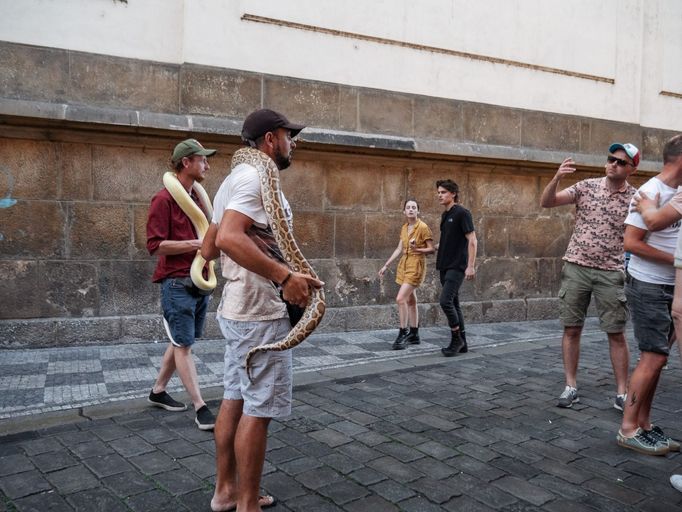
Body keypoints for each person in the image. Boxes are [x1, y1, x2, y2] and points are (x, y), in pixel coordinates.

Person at [202, 109, 323, 512]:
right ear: (271, 139)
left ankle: (226, 492)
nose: (294, 143)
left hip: (237, 308)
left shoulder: (231, 181)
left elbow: (209, 245)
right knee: (259, 409)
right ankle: (247, 505)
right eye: (290, 136)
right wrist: (284, 277)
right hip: (259, 313)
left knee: (235, 399)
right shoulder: (256, 177)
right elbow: (230, 238)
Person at [540, 144, 637, 409]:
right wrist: (557, 177)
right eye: (610, 159)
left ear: (631, 169)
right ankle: (570, 386)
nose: (613, 164)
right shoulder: (586, 186)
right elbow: (547, 202)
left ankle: (621, 393)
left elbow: (647, 231)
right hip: (576, 266)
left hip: (611, 271)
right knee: (572, 328)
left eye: (620, 162)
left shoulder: (636, 198)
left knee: (616, 332)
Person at [616, 134, 682, 456]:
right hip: (649, 285)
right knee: (653, 356)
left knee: (659, 358)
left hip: (671, 287)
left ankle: (644, 424)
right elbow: (632, 243)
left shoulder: (677, 192)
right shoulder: (652, 191)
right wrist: (677, 261)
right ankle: (628, 428)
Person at [146, 138, 217, 430]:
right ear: (186, 162)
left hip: (199, 281)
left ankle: (158, 391)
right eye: (202, 159)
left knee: (180, 340)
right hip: (176, 283)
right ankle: (201, 407)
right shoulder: (163, 199)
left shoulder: (198, 198)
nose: (207, 165)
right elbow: (154, 246)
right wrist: (196, 244)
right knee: (184, 345)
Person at [379, 199, 435, 350]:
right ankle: (415, 334)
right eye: (408, 207)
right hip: (404, 265)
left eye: (414, 207)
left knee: (400, 298)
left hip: (416, 266)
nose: (411, 210)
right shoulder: (405, 227)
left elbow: (431, 249)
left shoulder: (422, 227)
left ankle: (403, 332)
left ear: (418, 211)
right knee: (411, 301)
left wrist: (417, 249)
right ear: (404, 211)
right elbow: (399, 248)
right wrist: (386, 265)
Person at [435, 179, 477, 357]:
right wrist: (425, 248)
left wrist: (470, 266)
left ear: (453, 194)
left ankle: (456, 339)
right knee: (454, 304)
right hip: (444, 266)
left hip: (457, 266)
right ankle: (463, 343)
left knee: (445, 301)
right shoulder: (446, 215)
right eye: (438, 192)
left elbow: (473, 240)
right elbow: (446, 242)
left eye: (443, 192)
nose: (440, 195)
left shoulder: (462, 213)